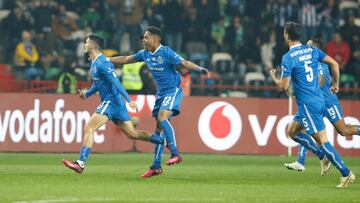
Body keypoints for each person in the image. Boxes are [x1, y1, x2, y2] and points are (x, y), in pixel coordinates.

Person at [109, 26, 209, 178]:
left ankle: (175, 153)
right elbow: (127, 59)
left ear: (156, 39)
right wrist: (108, 59)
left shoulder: (166, 52)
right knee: (158, 129)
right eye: (143, 37)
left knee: (162, 118)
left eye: (146, 37)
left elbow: (184, 63)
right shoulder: (145, 54)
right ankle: (156, 166)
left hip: (173, 90)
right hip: (160, 94)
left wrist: (199, 68)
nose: (143, 40)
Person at [269, 21, 355, 188]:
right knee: (292, 131)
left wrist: (274, 77)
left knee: (323, 140)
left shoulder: (288, 58)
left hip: (308, 105)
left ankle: (346, 173)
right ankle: (322, 156)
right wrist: (335, 84)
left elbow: (284, 86)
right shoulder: (312, 50)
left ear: (286, 35)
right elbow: (335, 64)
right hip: (318, 100)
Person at [62, 34, 162, 174]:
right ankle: (163, 141)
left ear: (92, 45)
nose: (84, 44)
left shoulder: (102, 62)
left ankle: (80, 163)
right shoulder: (94, 63)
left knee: (89, 128)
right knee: (132, 134)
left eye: (86, 42)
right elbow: (98, 84)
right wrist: (86, 95)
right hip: (116, 104)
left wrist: (129, 100)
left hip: (112, 101)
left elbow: (115, 81)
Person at [284, 37, 360, 172]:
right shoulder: (309, 62)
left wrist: (304, 87)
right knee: (302, 130)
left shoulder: (319, 64)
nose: (305, 48)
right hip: (315, 102)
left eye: (308, 46)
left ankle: (318, 161)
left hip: (327, 102)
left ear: (315, 48)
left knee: (343, 131)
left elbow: (321, 81)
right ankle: (302, 161)